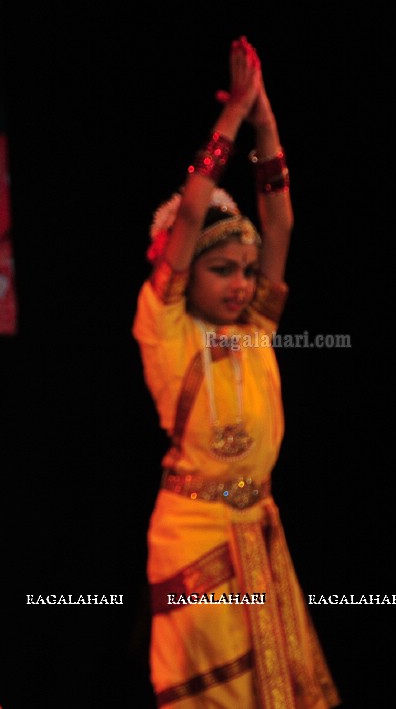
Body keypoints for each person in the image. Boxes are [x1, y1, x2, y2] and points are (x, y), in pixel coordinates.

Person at [132, 36, 339, 707]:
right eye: (222, 269)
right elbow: (193, 211)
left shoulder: (253, 329)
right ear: (186, 271)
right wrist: (230, 119)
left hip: (258, 528)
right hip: (194, 534)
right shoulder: (165, 324)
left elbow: (279, 222)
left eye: (247, 272)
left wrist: (268, 126)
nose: (240, 283)